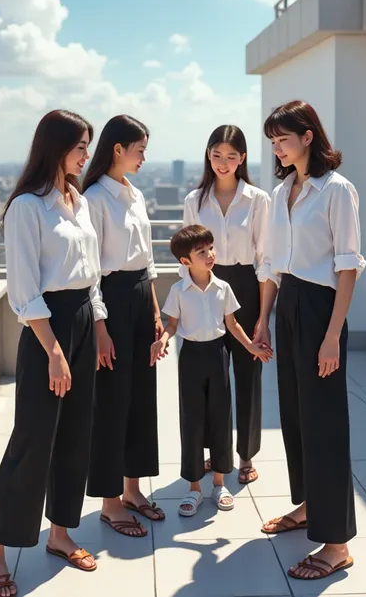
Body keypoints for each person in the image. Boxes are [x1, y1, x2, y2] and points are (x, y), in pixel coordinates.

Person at [0, 110, 108, 597]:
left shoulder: (78, 200)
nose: (86, 155)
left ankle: (59, 534)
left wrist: (98, 324)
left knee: (76, 433)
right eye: (80, 146)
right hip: (46, 328)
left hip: (80, 319)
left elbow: (91, 272)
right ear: (55, 148)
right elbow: (24, 290)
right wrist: (54, 351)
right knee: (34, 437)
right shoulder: (27, 208)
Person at [254, 100, 366, 581]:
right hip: (290, 304)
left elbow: (347, 266)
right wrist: (263, 319)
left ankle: (337, 543)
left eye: (282, 138)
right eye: (272, 141)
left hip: (322, 309)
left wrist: (333, 335)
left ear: (307, 136)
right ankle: (307, 509)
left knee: (324, 425)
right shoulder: (282, 191)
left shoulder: (336, 190)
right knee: (297, 417)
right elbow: (275, 261)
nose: (276, 148)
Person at [151, 225, 271, 517]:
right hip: (191, 356)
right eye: (201, 252)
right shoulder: (179, 291)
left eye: (210, 249)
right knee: (191, 420)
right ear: (185, 261)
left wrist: (251, 347)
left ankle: (219, 483)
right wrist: (162, 341)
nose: (210, 255)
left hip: (218, 354)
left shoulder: (223, 288)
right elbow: (171, 325)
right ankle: (194, 488)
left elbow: (233, 325)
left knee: (220, 416)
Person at [83, 114, 164, 538]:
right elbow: (91, 271)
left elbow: (148, 262)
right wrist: (100, 328)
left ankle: (133, 489)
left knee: (141, 399)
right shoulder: (94, 198)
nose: (144, 158)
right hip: (110, 302)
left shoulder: (135, 194)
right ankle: (109, 502)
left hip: (138, 297)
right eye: (139, 149)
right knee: (111, 403)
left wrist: (154, 313)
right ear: (118, 149)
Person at [183, 125, 271, 485]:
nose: (223, 163)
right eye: (217, 155)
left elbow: (266, 259)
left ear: (243, 159)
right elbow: (185, 256)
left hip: (247, 287)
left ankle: (246, 454)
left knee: (248, 374)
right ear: (208, 155)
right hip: (205, 288)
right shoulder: (194, 200)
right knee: (209, 376)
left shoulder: (258, 200)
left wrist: (264, 316)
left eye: (231, 156)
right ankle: (212, 453)